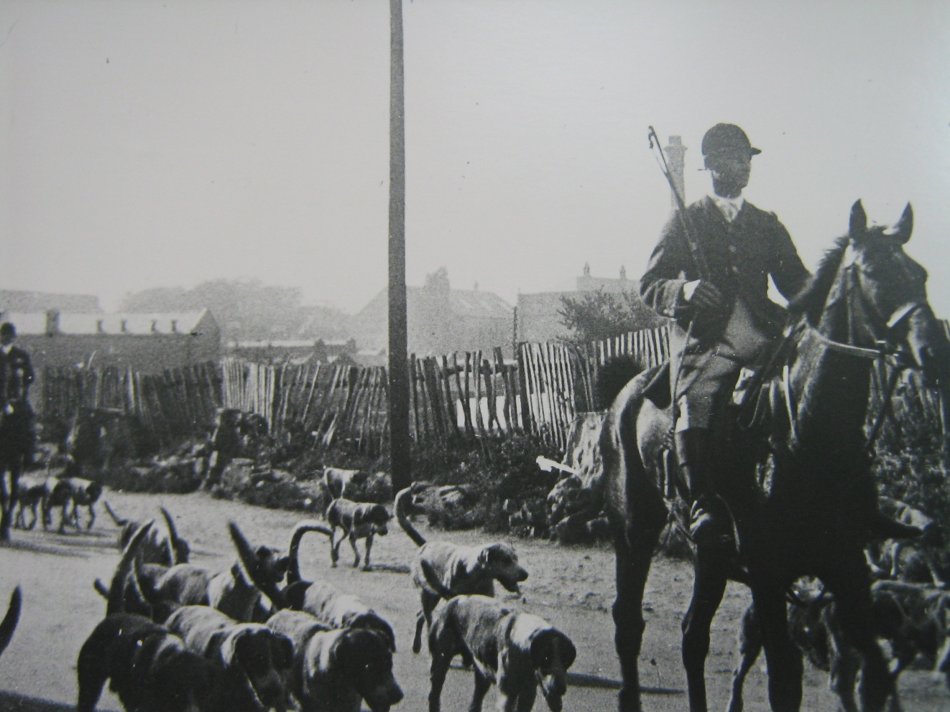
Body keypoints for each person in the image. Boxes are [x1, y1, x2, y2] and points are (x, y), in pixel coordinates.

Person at [639, 123, 810, 546]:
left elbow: (799, 284)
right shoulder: (687, 220)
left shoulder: (766, 224)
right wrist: (687, 289)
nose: (744, 167)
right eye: (735, 159)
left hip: (760, 336)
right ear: (712, 165)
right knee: (695, 399)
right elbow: (649, 283)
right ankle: (702, 503)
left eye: (747, 159)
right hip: (707, 341)